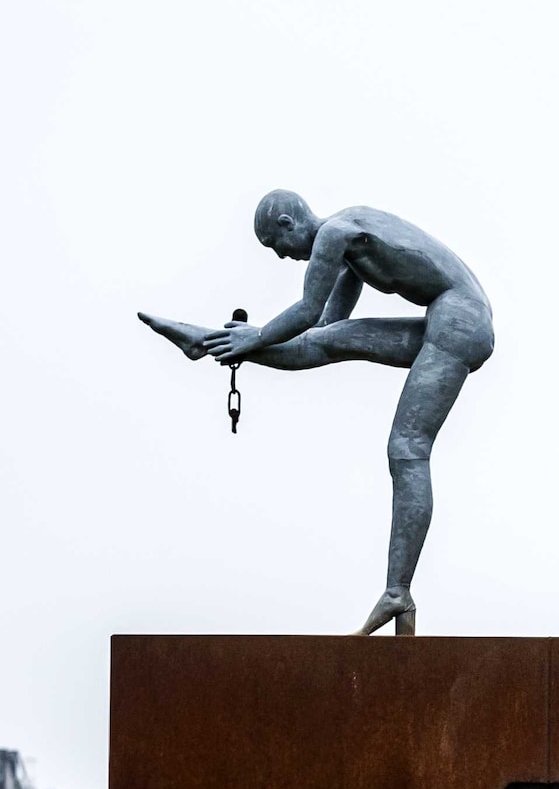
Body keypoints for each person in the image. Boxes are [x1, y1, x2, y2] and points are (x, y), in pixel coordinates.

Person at [138, 192, 495, 637]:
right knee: (333, 341)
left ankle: (397, 590)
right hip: (450, 318)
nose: (285, 256)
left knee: (408, 448)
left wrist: (258, 336)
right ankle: (205, 342)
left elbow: (306, 311)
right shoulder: (350, 247)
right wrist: (244, 346)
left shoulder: (335, 232)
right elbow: (320, 334)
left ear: (289, 222)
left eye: (277, 245)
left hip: (460, 321)